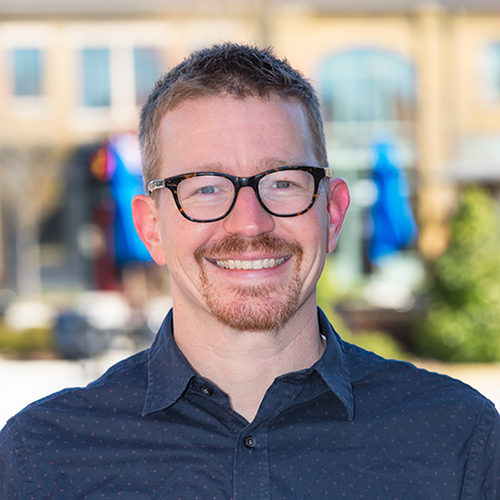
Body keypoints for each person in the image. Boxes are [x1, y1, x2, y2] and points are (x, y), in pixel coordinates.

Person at [1, 43, 499, 499]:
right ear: (151, 228)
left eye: (282, 182)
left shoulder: (458, 440)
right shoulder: (41, 460)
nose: (249, 222)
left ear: (332, 214)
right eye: (206, 188)